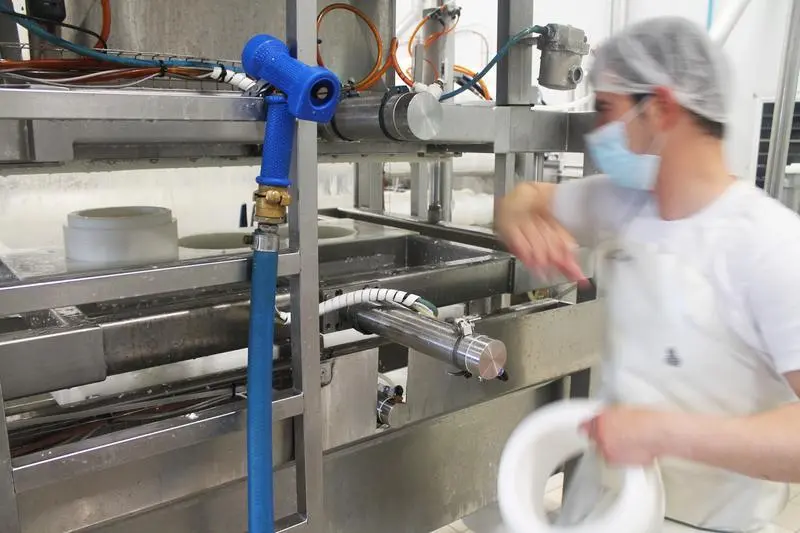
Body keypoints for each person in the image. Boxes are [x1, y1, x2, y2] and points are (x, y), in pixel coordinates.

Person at [496, 16, 800, 533]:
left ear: (659, 107)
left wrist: (662, 433)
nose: (599, 133)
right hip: (605, 509)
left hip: (713, 521)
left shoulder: (771, 247)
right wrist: (517, 215)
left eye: (606, 110)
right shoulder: (623, 204)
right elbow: (526, 198)